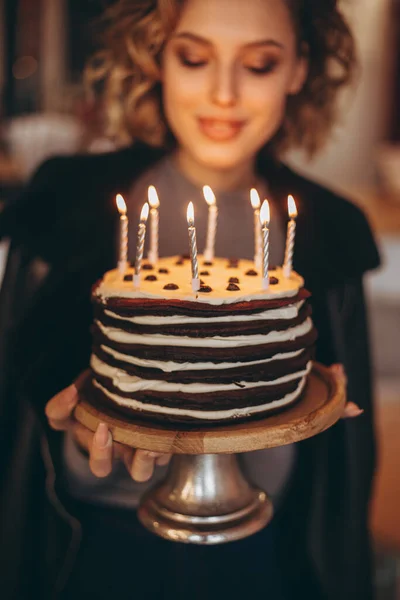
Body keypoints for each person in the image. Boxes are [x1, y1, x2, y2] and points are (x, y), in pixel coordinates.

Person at [0, 0, 381, 599]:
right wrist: (78, 438)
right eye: (195, 57)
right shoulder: (64, 205)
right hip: (91, 548)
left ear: (299, 70)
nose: (223, 94)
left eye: (258, 64)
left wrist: (321, 401)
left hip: (266, 553)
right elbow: (15, 413)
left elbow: (344, 479)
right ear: (159, 59)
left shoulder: (332, 232)